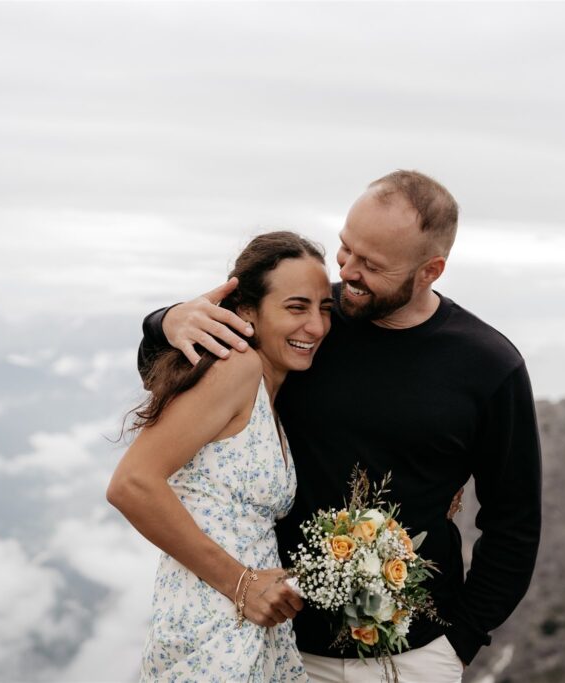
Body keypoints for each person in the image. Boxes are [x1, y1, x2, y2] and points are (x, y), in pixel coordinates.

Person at [137, 170, 542, 683]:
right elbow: (179, 369)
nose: (347, 271)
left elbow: (515, 523)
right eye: (346, 250)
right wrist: (166, 319)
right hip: (278, 645)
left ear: (430, 271)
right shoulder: (305, 318)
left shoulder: (489, 367)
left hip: (414, 658)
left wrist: (459, 640)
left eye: (372, 265)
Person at [108, 231, 335, 682]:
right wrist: (242, 584)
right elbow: (131, 484)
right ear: (247, 311)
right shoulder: (239, 368)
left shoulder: (269, 392)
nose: (316, 326)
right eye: (296, 307)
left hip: (246, 625)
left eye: (324, 309)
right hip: (213, 626)